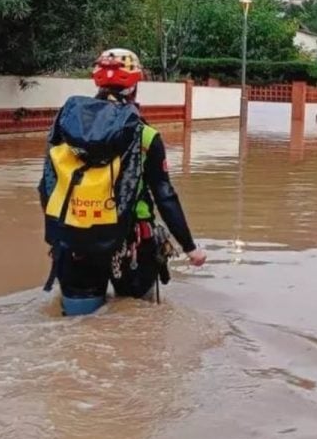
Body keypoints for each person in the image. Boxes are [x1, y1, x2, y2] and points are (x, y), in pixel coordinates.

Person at [38, 48, 207, 316]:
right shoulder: (146, 135)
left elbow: (47, 186)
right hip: (133, 243)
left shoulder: (66, 130)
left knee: (77, 326)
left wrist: (60, 234)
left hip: (76, 240)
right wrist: (190, 248)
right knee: (137, 318)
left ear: (97, 82)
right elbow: (164, 195)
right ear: (135, 86)